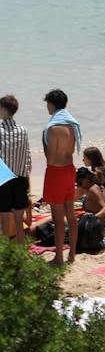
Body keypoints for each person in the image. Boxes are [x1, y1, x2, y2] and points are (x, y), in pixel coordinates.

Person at [0, 96, 31, 246]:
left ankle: (7, 252)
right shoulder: (23, 130)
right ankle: (21, 250)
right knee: (19, 217)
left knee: (5, 216)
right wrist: (26, 178)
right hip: (20, 177)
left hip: (4, 179)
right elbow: (27, 156)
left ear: (3, 109)